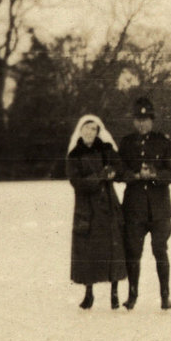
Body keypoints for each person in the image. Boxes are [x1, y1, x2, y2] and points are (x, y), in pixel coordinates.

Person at [118, 96, 171, 310]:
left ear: (152, 120)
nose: (141, 123)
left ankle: (165, 295)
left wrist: (155, 175)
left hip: (160, 210)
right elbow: (119, 171)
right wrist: (135, 175)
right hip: (134, 209)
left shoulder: (164, 142)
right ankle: (132, 296)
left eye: (145, 119)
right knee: (133, 252)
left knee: (160, 251)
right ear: (133, 121)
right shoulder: (126, 143)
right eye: (138, 119)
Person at [67, 114, 127, 309]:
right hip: (87, 208)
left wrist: (113, 171)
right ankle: (89, 293)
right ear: (80, 130)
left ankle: (114, 293)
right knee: (88, 251)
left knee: (113, 249)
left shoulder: (106, 149)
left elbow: (119, 166)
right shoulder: (74, 154)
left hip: (108, 205)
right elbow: (76, 182)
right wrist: (99, 177)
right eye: (87, 128)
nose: (90, 132)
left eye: (94, 129)